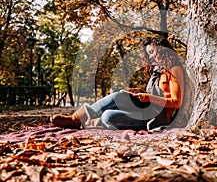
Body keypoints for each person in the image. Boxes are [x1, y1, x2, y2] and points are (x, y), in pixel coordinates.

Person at [50, 36, 185, 132]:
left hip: (155, 117)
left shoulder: (174, 70)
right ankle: (76, 119)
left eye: (152, 52)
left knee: (108, 116)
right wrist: (141, 92)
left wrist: (148, 97)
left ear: (162, 50)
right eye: (148, 53)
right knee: (119, 96)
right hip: (146, 109)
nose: (150, 57)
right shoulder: (159, 71)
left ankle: (83, 120)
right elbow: (158, 93)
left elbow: (176, 102)